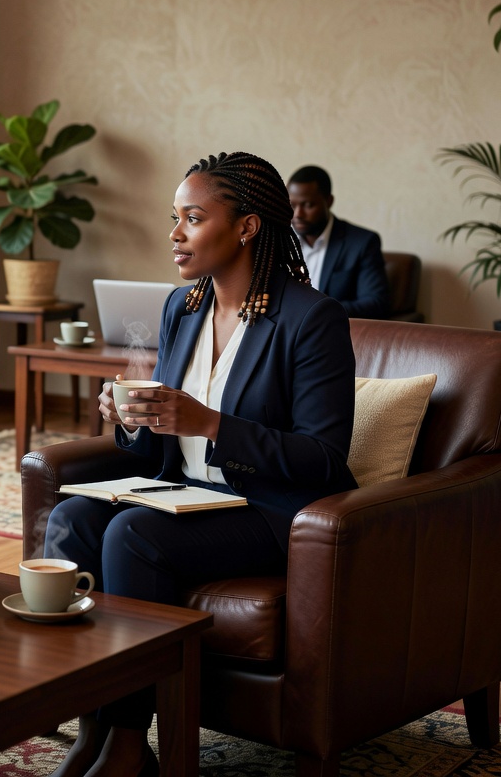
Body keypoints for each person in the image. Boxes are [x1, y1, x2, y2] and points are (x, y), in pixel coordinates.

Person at [44, 152, 357, 777]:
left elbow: (323, 458)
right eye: (175, 217)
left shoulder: (310, 318)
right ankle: (92, 726)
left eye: (192, 218)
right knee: (72, 519)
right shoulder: (181, 308)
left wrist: (211, 424)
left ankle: (129, 744)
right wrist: (131, 417)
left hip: (267, 509)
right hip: (184, 493)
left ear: (245, 227)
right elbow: (156, 444)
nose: (175, 233)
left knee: (134, 535)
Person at [286, 164, 390, 319]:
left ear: (329, 201)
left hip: (330, 328)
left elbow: (376, 303)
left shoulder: (362, 243)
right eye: (292, 205)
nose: (297, 214)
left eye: (308, 205)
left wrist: (315, 312)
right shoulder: (279, 240)